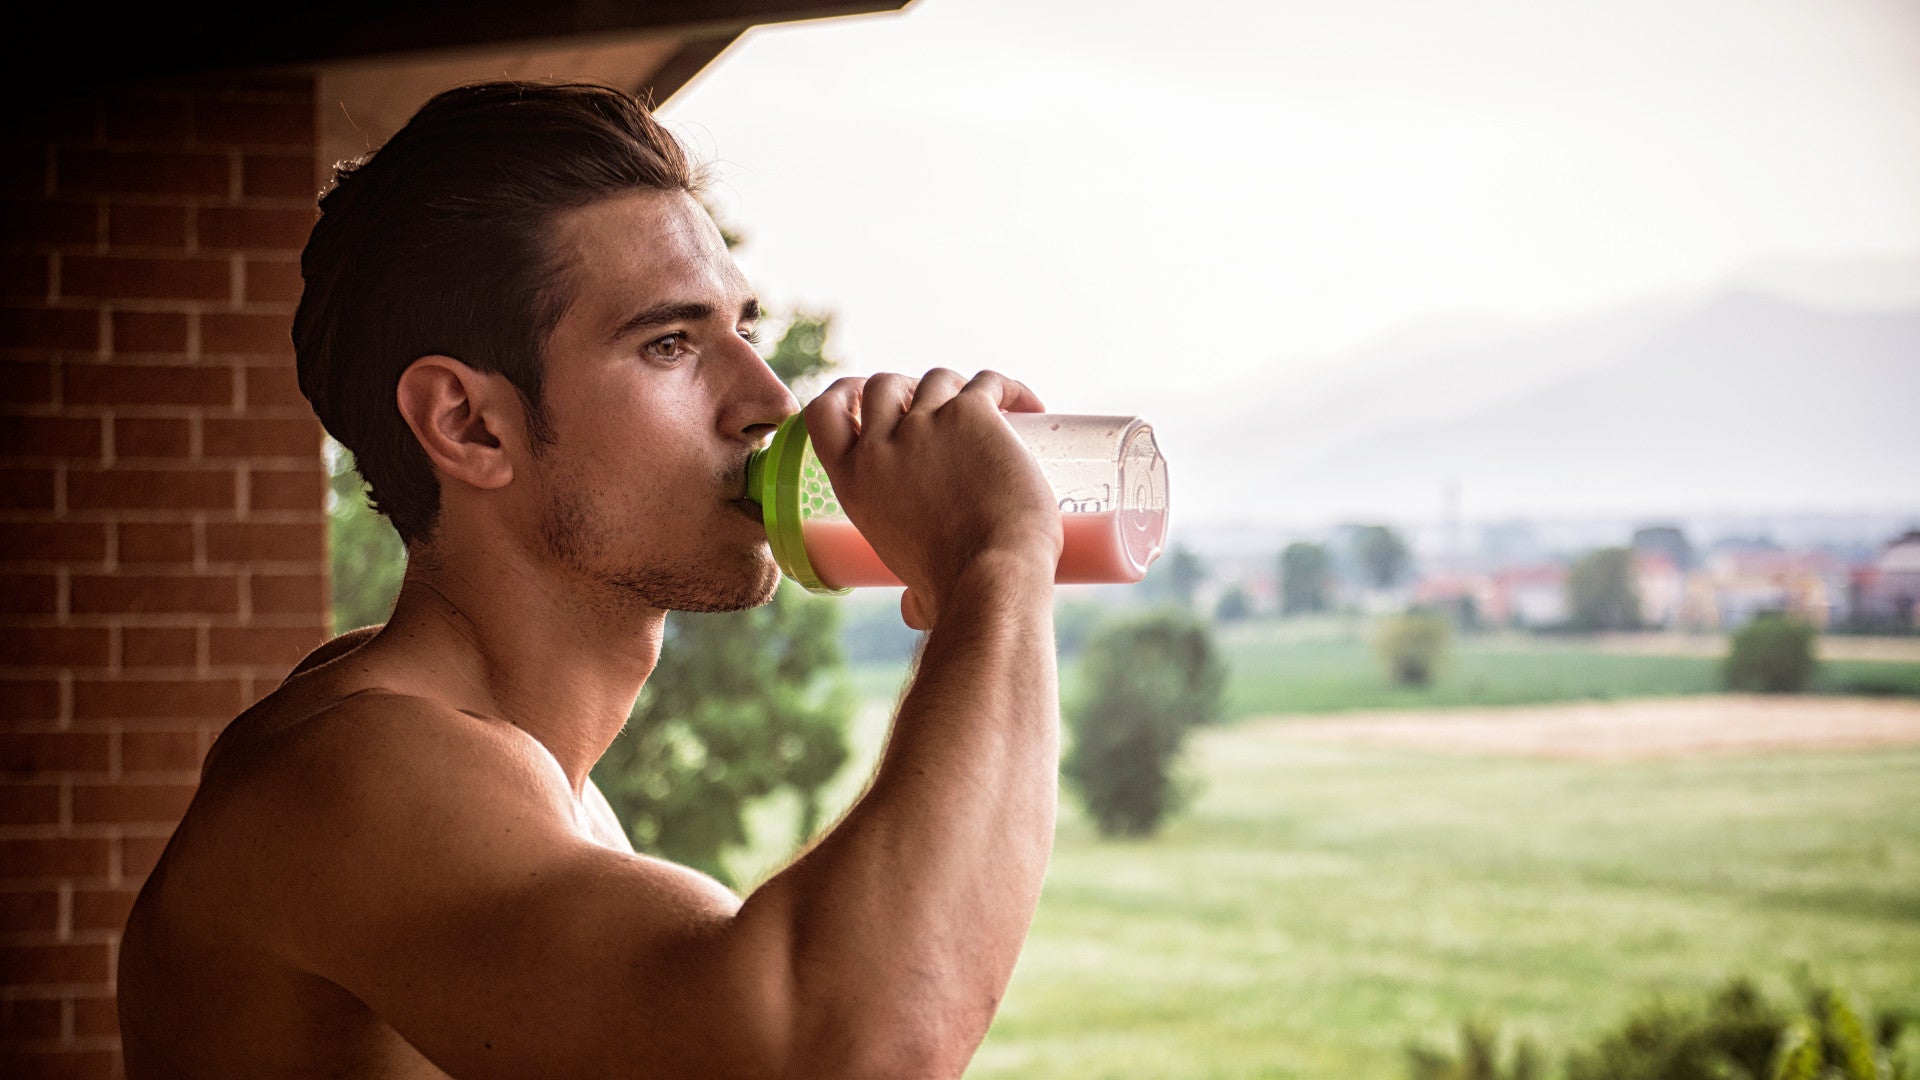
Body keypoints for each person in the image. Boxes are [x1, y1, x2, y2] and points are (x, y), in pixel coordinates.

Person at [117, 81, 1064, 1079]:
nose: (767, 399)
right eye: (671, 344)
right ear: (469, 425)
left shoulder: (528, 780)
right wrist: (994, 566)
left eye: (741, 328)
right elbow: (827, 1048)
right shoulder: (354, 772)